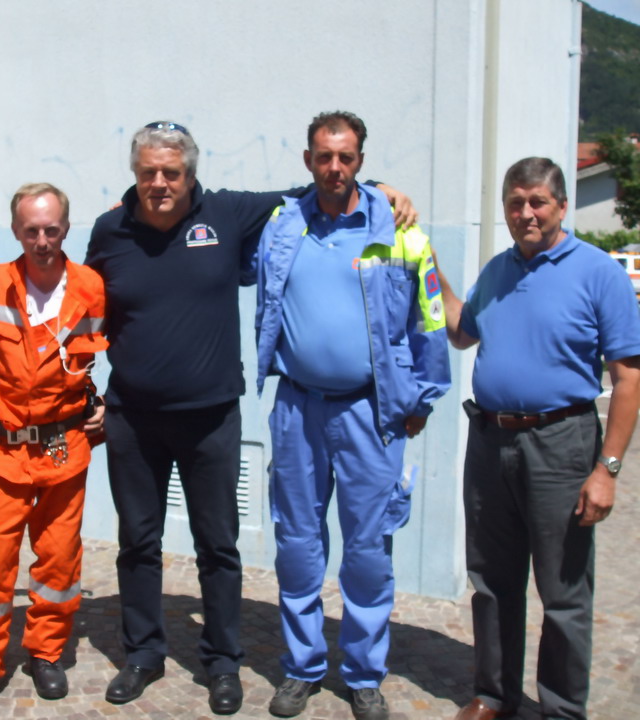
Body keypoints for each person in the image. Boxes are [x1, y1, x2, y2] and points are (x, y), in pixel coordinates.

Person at [84, 120, 418, 716]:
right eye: (148, 172)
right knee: (137, 542)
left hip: (211, 415)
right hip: (132, 416)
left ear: (190, 175)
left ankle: (221, 663)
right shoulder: (109, 230)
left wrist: (382, 189)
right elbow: (86, 315)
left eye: (171, 173)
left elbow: (318, 186)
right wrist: (86, 398)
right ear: (134, 174)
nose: (159, 183)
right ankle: (143, 654)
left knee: (219, 545)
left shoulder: (229, 213)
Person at [249, 111, 450, 720]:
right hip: (297, 411)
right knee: (297, 544)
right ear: (307, 160)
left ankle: (364, 674)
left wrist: (423, 396)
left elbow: (430, 318)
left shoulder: (401, 230)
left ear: (361, 160)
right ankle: (302, 668)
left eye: (346, 157)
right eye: (323, 156)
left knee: (367, 550)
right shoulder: (282, 225)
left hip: (373, 414)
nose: (334, 167)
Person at [434, 157, 640, 720]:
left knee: (563, 591)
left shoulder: (598, 273)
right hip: (490, 442)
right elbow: (461, 332)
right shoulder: (497, 271)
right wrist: (430, 271)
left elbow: (628, 380)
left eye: (537, 202)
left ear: (561, 206)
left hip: (561, 444)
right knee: (492, 582)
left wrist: (607, 469)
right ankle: (494, 695)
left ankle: (562, 709)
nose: (525, 213)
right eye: (515, 203)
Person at [0, 183, 107, 718]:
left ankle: (46, 652)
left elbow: (114, 354)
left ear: (66, 229)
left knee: (59, 559)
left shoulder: (90, 288)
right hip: (4, 449)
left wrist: (107, 403)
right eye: (31, 230)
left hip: (64, 447)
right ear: (16, 231)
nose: (42, 240)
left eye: (51, 229)